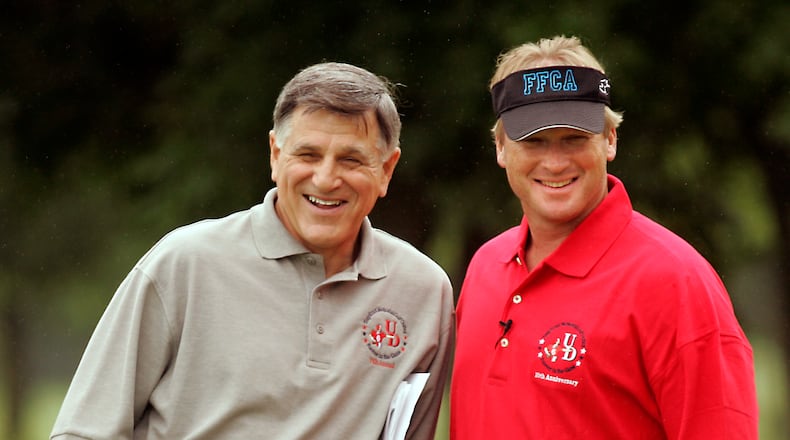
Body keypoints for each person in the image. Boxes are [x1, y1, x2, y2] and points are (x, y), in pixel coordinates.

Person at [51, 62, 455, 439]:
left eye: (351, 159)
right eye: (308, 154)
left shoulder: (422, 293)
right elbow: (84, 431)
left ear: (386, 170)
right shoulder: (184, 263)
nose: (327, 178)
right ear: (276, 155)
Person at [449, 36, 758, 439]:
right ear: (501, 148)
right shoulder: (486, 265)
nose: (555, 162)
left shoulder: (676, 282)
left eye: (575, 138)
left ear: (609, 139)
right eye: (534, 141)